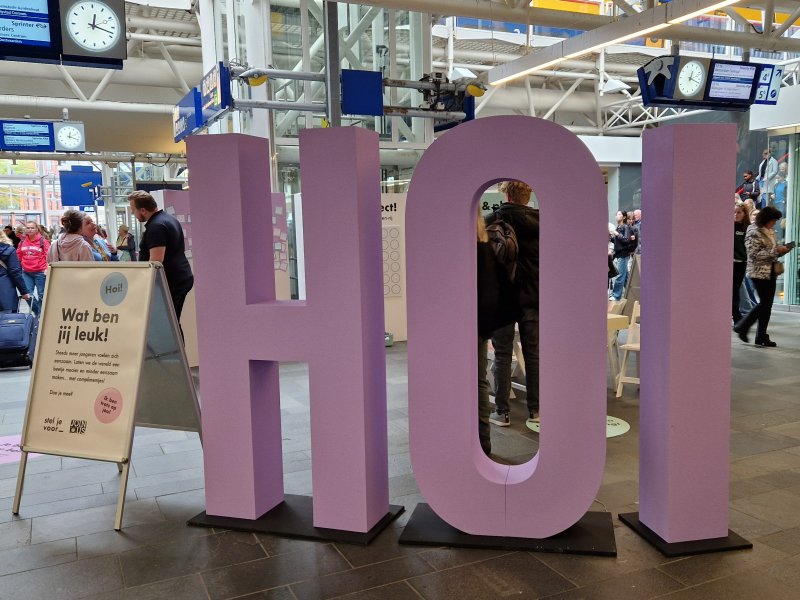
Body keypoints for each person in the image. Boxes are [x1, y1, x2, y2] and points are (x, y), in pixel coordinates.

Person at [486, 180, 539, 427]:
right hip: (534, 297)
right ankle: (536, 410)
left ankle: (502, 411)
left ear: (506, 193)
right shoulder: (543, 222)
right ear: (528, 197)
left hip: (502, 299)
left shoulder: (492, 221)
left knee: (503, 355)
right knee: (533, 354)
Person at [477, 210, 520, 455]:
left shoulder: (489, 231)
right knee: (480, 379)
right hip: (499, 314)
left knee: (483, 373)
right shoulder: (484, 243)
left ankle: (501, 411)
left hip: (468, 322)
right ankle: (484, 440)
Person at [734, 206, 795, 347]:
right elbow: (754, 254)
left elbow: (770, 250)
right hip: (758, 272)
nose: (774, 223)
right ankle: (742, 326)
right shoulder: (753, 230)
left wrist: (782, 250)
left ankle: (761, 335)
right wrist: (776, 251)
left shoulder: (770, 231)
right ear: (766, 219)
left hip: (771, 271)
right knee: (765, 303)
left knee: (767, 305)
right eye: (773, 220)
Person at [129, 190, 194, 320]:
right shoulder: (168, 218)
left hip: (172, 283)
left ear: (142, 210)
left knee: (169, 324)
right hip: (180, 278)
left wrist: (145, 285)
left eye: (133, 210)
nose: (133, 213)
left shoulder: (156, 226)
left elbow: (156, 262)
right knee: (172, 322)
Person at [16, 221, 50, 317]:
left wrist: (47, 268)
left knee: (42, 295)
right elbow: (18, 256)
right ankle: (38, 311)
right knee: (27, 295)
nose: (30, 230)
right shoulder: (22, 242)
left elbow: (49, 256)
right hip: (26, 272)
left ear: (36, 229)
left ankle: (41, 316)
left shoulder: (43, 241)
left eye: (32, 228)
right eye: (28, 228)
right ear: (25, 229)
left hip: (40, 272)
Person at [0, 230, 31, 313]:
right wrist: (24, 291)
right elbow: (15, 272)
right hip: (5, 289)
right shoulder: (8, 250)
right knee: (8, 321)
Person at [609, 210, 636, 301]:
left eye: (619, 214)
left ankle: (616, 295)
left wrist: (617, 234)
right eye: (617, 214)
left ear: (624, 217)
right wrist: (612, 237)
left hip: (623, 254)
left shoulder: (625, 227)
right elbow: (618, 242)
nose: (617, 216)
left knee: (620, 275)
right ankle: (633, 295)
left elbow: (626, 240)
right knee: (626, 277)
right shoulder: (618, 227)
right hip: (618, 254)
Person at [732, 203, 748, 325]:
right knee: (732, 291)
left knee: (736, 290)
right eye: (734, 212)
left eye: (739, 212)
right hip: (728, 264)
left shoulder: (747, 228)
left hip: (740, 264)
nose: (736, 215)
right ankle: (736, 315)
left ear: (744, 214)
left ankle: (737, 316)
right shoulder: (729, 226)